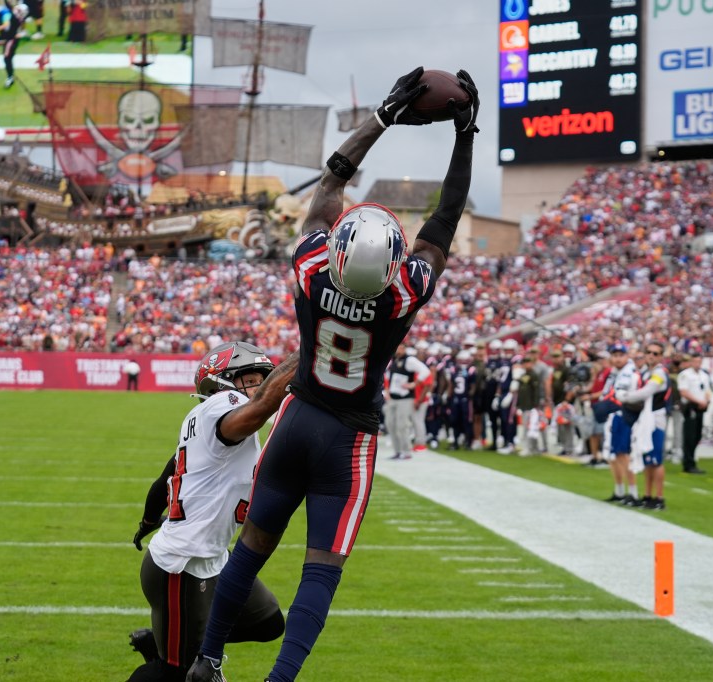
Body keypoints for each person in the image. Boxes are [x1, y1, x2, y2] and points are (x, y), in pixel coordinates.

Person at [187, 66, 479, 682]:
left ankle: (207, 660)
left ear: (340, 251)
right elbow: (445, 220)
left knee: (250, 551)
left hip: (296, 419)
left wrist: (381, 118)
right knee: (321, 570)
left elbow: (332, 181)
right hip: (348, 441)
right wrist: (464, 136)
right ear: (393, 263)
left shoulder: (314, 271)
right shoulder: (403, 294)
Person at [128, 342, 296, 681]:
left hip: (213, 557)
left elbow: (164, 478)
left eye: (263, 379)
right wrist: (311, 349)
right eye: (251, 380)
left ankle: (171, 639)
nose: (261, 387)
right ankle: (168, 649)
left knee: (268, 622)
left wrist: (148, 520)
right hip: (182, 563)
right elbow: (260, 407)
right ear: (221, 383)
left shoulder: (204, 425)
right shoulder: (222, 404)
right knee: (173, 674)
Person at [617, 340, 671, 510]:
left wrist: (625, 397)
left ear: (661, 356)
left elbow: (647, 391)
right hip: (645, 418)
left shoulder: (659, 373)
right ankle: (647, 495)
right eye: (649, 352)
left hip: (655, 419)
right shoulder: (647, 372)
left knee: (656, 460)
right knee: (647, 458)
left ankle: (659, 498)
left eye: (655, 353)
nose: (651, 356)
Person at [600, 343, 642, 505]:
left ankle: (633, 492)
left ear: (626, 356)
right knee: (613, 454)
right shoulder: (614, 372)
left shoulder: (629, 373)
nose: (617, 359)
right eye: (614, 355)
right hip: (613, 416)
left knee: (624, 454)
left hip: (624, 415)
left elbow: (621, 396)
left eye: (620, 355)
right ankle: (619, 490)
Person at [384, 342, 430, 460]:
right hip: (393, 397)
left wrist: (414, 384)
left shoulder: (409, 360)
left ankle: (406, 451)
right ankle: (398, 451)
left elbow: (425, 371)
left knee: (402, 425)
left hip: (405, 398)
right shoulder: (393, 360)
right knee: (390, 423)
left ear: (404, 349)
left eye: (401, 347)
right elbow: (388, 377)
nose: (398, 350)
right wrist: (387, 392)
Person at [677, 351, 711, 474]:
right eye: (695, 361)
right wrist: (699, 401)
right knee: (689, 436)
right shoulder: (685, 375)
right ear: (691, 362)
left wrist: (706, 401)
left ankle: (691, 459)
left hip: (701, 407)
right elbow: (684, 392)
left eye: (699, 361)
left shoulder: (704, 375)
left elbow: (707, 390)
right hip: (690, 406)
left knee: (697, 435)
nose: (697, 364)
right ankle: (688, 462)